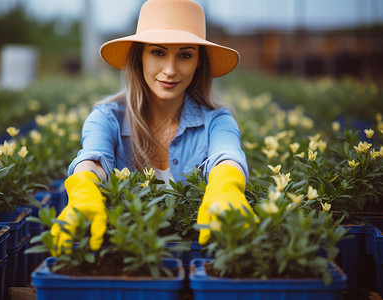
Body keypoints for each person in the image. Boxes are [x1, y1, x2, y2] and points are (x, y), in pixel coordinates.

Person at [51, 0, 253, 255]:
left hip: (196, 255)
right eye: (158, 52)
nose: (169, 70)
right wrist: (83, 189)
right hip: (125, 257)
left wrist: (227, 187)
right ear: (140, 57)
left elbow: (228, 155)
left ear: (199, 62)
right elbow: (94, 157)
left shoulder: (217, 119)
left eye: (185, 55)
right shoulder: (107, 117)